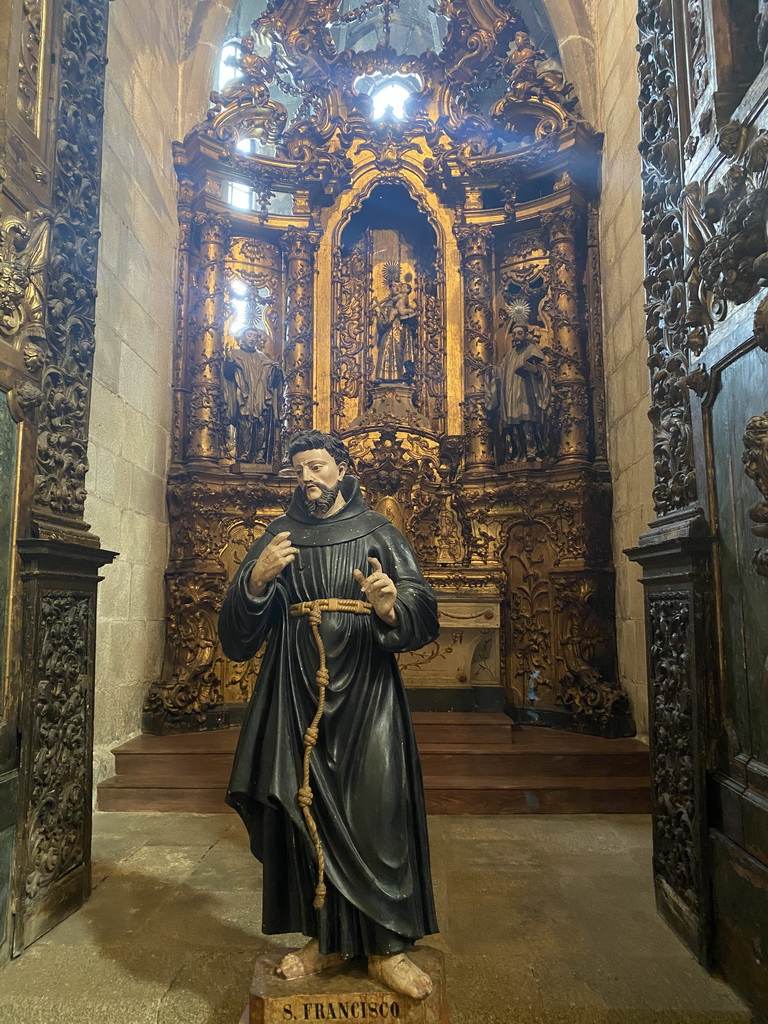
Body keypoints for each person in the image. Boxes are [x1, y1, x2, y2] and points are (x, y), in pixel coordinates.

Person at [218, 430, 439, 1000]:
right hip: (296, 689)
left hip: (367, 692)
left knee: (378, 810)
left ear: (342, 468)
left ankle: (387, 947)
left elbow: (423, 608)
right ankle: (325, 938)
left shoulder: (379, 532)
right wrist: (258, 580)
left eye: (316, 466)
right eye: (298, 471)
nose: (307, 478)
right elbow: (236, 635)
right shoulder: (279, 536)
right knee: (303, 810)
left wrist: (392, 608)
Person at [490, 321, 552, 461]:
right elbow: (501, 372)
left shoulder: (532, 350)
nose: (516, 337)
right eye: (514, 334)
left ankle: (532, 452)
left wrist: (535, 371)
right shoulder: (510, 355)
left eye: (520, 333)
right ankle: (517, 454)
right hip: (511, 398)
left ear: (525, 335)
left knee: (527, 424)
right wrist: (491, 371)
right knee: (513, 427)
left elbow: (544, 372)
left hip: (526, 396)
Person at [223, 327, 281, 463]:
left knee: (261, 425)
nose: (252, 338)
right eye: (249, 335)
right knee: (245, 425)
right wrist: (229, 361)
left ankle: (260, 456)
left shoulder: (262, 357)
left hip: (261, 397)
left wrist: (276, 372)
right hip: (243, 396)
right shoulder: (235, 354)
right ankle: (244, 454)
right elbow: (228, 375)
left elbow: (272, 382)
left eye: (255, 336)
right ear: (243, 338)